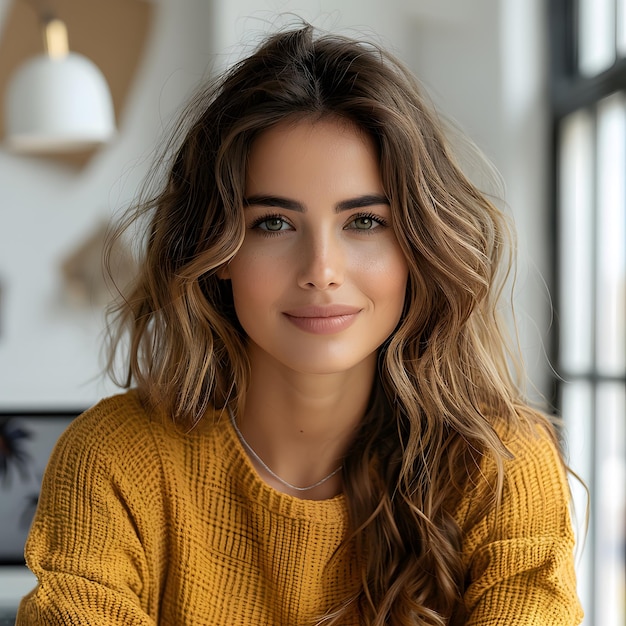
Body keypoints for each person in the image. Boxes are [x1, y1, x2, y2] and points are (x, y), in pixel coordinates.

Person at [17, 24, 583, 626]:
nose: (322, 271)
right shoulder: (114, 460)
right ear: (218, 251)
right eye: (274, 224)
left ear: (418, 244)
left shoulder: (499, 467)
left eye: (364, 221)